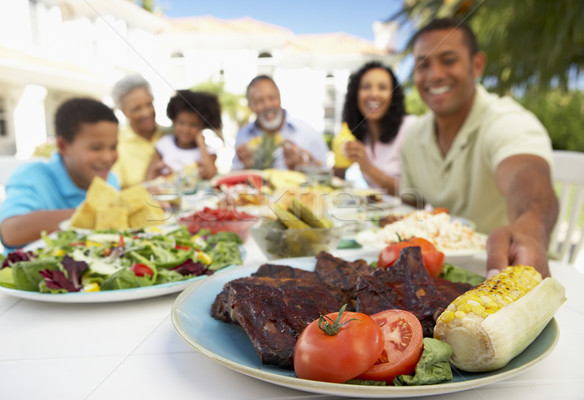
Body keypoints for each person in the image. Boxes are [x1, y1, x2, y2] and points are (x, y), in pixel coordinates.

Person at [400, 18, 558, 278]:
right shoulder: (414, 135)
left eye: (448, 60)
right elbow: (409, 206)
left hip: (513, 268)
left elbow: (526, 174)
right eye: (422, 64)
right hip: (446, 276)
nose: (435, 74)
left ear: (477, 65)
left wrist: (530, 227)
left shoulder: (506, 120)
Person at [0, 98, 120, 249]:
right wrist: (93, 215)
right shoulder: (32, 176)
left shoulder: (110, 180)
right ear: (63, 146)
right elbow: (10, 231)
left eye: (113, 147)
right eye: (96, 148)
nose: (108, 157)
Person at [332, 61, 416, 194]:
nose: (374, 94)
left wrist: (367, 167)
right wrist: (339, 165)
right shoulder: (362, 135)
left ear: (393, 95)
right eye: (366, 87)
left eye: (382, 87)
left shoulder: (411, 128)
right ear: (356, 94)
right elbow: (336, 181)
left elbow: (416, 195)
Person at [232, 75, 329, 171]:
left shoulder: (309, 133)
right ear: (250, 106)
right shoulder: (243, 135)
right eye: (259, 101)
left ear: (280, 98)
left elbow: (327, 176)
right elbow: (233, 177)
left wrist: (305, 165)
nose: (268, 105)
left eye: (272, 98)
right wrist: (246, 166)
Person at [146, 89, 221, 181]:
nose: (186, 129)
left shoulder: (207, 150)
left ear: (202, 126)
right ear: (174, 121)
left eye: (193, 125)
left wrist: (201, 145)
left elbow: (211, 175)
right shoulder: (164, 144)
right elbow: (148, 179)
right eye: (181, 123)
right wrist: (156, 172)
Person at [111, 74, 167, 188]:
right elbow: (115, 196)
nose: (146, 113)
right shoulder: (115, 146)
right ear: (123, 112)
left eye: (149, 104)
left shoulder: (171, 135)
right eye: (136, 108)